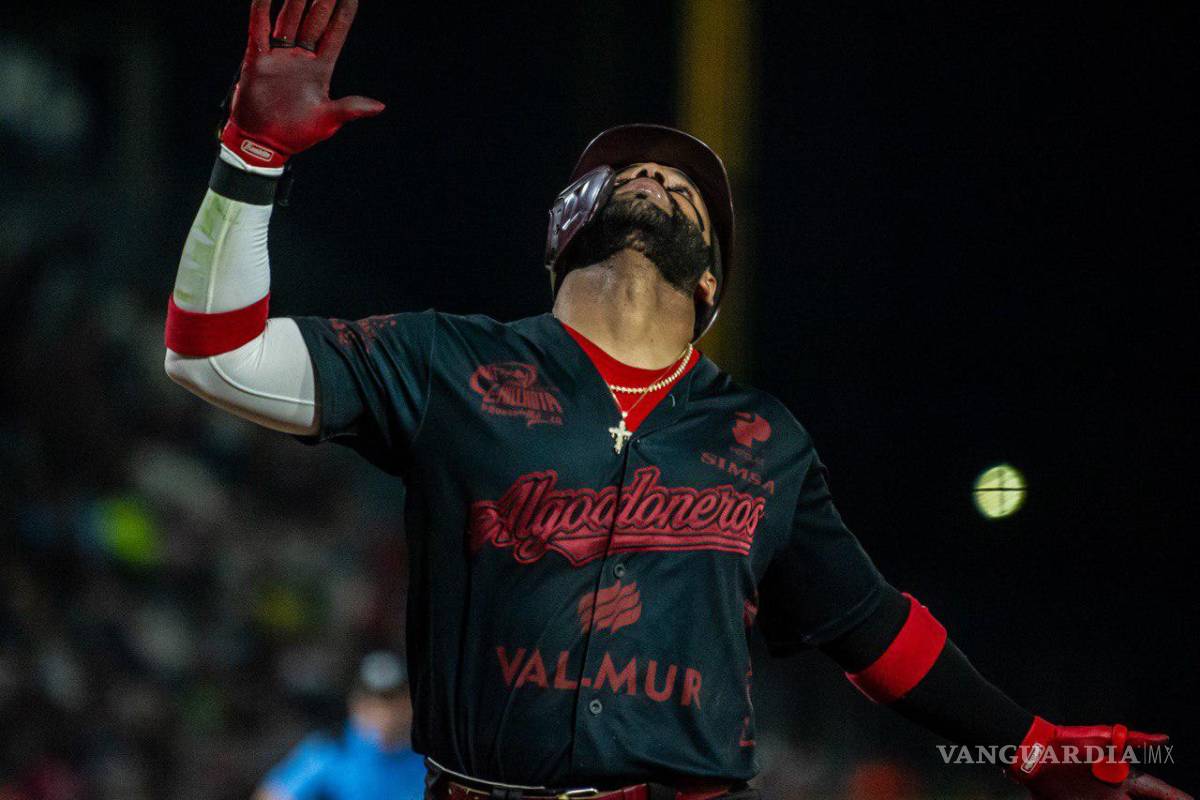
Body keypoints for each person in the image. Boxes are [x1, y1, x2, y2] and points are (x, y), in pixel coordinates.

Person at [163, 2, 1191, 798]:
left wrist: (1026, 744)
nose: (656, 175)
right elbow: (216, 359)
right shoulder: (446, 360)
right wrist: (249, 157)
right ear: (566, 230)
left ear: (710, 288)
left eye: (685, 185)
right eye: (630, 172)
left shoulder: (765, 440)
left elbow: (873, 627)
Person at [255, 652, 425, 800]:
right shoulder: (331, 748)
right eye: (373, 701)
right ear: (356, 705)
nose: (385, 712)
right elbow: (274, 794)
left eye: (393, 700)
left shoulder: (430, 753)